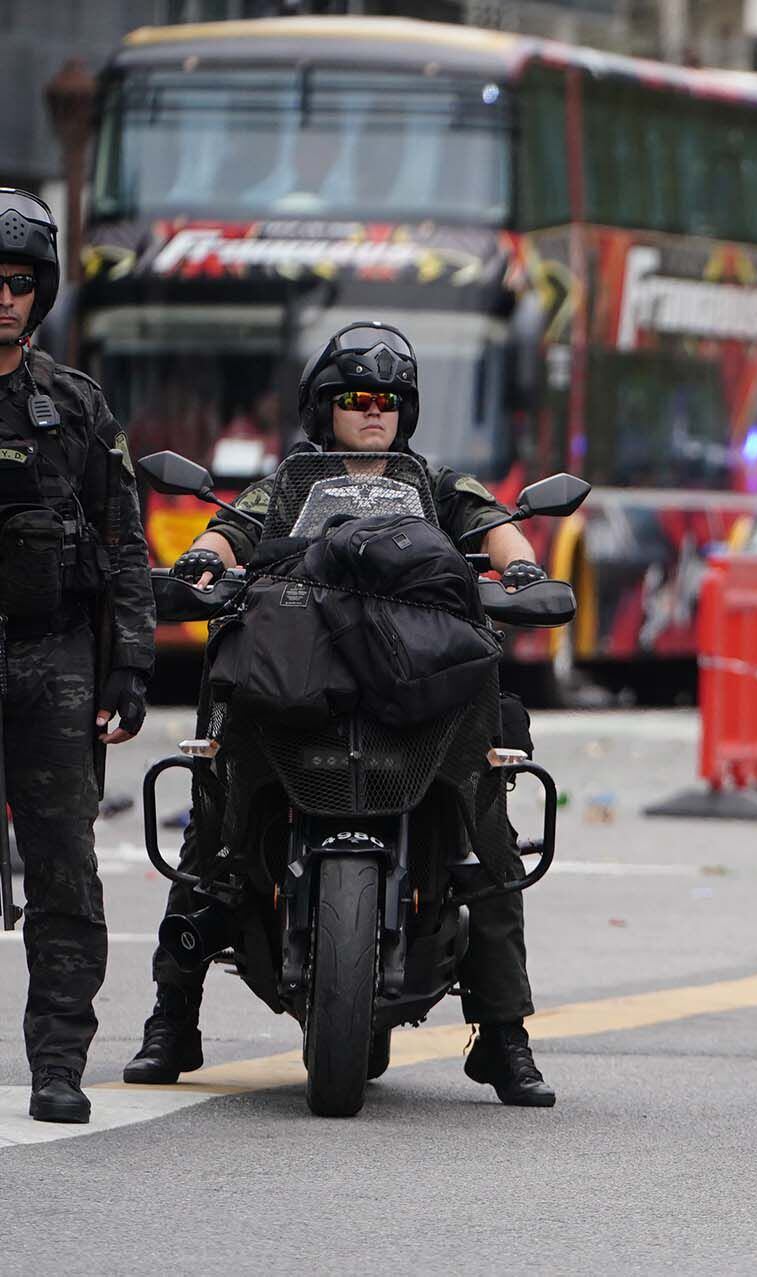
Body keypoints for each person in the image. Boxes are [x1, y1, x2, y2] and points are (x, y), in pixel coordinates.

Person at [124, 323, 558, 1107]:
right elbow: (228, 530)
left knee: (482, 826)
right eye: (356, 399)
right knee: (212, 813)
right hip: (299, 686)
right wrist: (203, 561)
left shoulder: (432, 484)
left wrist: (518, 562)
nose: (373, 413)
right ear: (324, 409)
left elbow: (494, 524)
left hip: (411, 691)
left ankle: (503, 1037)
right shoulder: (287, 484)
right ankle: (171, 1018)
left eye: (388, 401)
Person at [0, 189, 154, 1124]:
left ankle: (58, 1061)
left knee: (63, 869)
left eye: (19, 283)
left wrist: (129, 669)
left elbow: (125, 542)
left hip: (52, 659)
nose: (3, 299)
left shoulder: (73, 405)